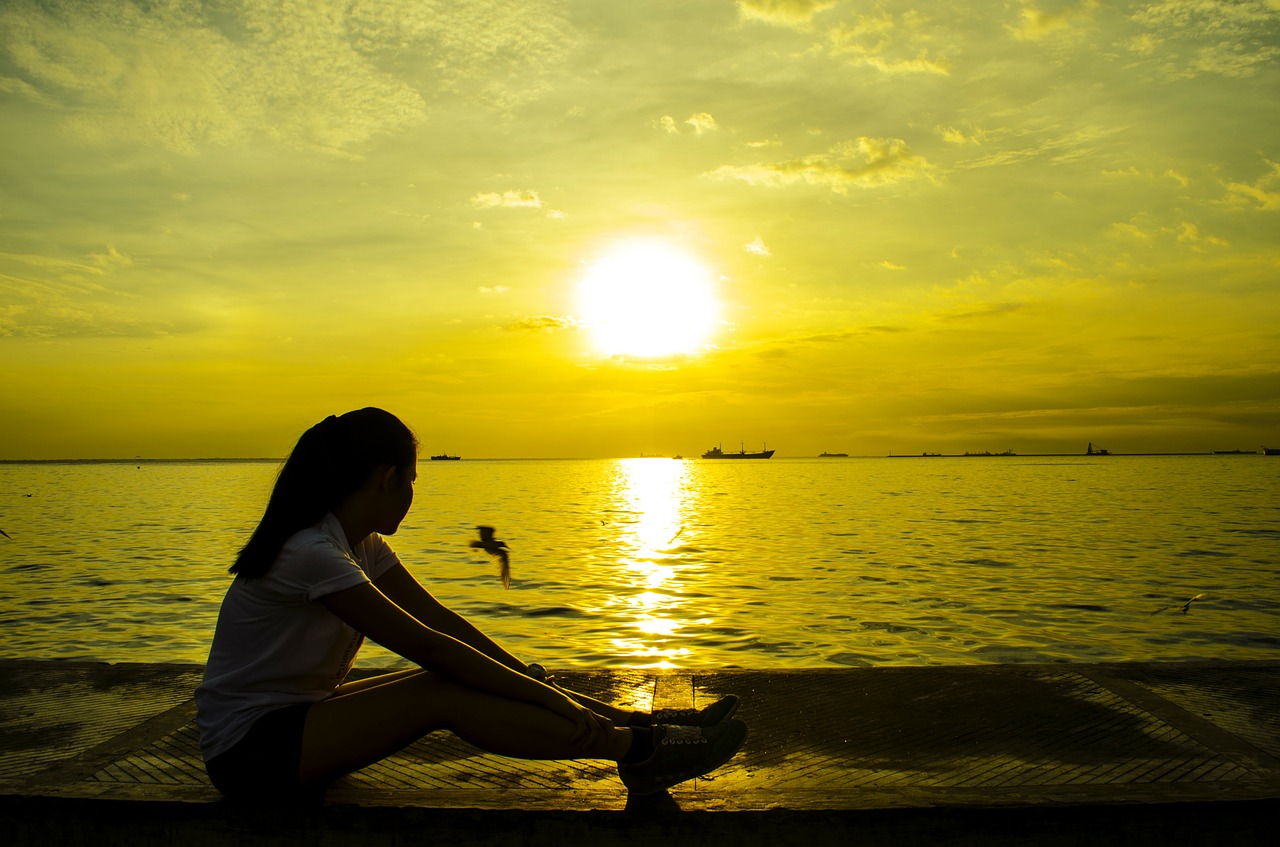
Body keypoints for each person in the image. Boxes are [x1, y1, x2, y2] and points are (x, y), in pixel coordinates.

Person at [195, 407, 746, 800]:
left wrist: (535, 681)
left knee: (469, 677)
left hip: (294, 724)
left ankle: (641, 727)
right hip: (250, 756)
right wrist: (552, 701)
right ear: (387, 480)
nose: (413, 493)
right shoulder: (309, 552)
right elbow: (428, 647)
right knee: (440, 691)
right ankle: (638, 751)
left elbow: (442, 621)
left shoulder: (357, 544)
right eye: (411, 480)